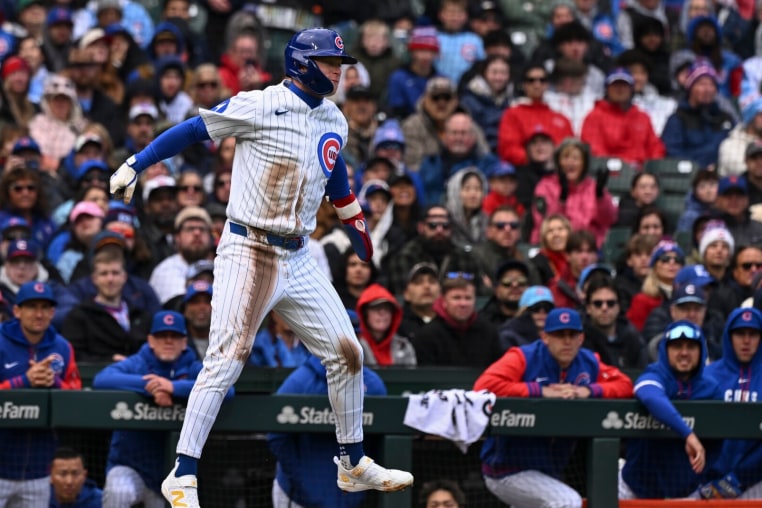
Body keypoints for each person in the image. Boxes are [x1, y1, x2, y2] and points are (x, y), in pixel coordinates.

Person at [108, 28, 414, 505]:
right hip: (248, 247)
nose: (338, 70)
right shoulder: (260, 104)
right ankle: (183, 472)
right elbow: (193, 129)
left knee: (347, 352)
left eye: (340, 63)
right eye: (329, 62)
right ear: (302, 63)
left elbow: (336, 183)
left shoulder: (335, 118)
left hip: (299, 252)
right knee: (228, 358)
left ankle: (351, 463)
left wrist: (356, 225)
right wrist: (136, 162)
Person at [475, 307, 634, 507]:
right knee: (566, 501)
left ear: (581, 338)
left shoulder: (588, 362)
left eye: (572, 335)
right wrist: (538, 390)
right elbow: (484, 386)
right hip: (505, 469)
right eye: (559, 335)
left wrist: (589, 391)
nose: (566, 341)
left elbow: (625, 385)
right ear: (545, 337)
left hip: (547, 472)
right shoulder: (524, 357)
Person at [93, 310, 232, 508]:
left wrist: (173, 387)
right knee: (119, 492)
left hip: (171, 472)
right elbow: (102, 380)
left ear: (184, 342)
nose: (168, 341)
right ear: (150, 340)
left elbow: (228, 391)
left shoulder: (193, 367)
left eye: (174, 336)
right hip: (130, 466)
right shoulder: (138, 363)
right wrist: (150, 387)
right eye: (162, 336)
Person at [619, 320, 723, 500]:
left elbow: (719, 444)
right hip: (635, 488)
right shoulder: (655, 374)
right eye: (677, 346)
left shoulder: (711, 389)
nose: (684, 353)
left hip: (686, 493)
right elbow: (649, 394)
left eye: (691, 346)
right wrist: (688, 434)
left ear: (701, 351)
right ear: (666, 350)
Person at [0, 281, 81, 508]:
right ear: (17, 311)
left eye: (45, 307)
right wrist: (24, 381)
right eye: (31, 306)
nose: (39, 314)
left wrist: (53, 382)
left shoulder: (62, 347)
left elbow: (76, 395)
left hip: (39, 468)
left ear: (53, 312)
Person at [268, 353, 387, 507]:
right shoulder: (300, 382)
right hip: (298, 498)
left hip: (349, 499)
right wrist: (302, 481)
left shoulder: (371, 383)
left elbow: (379, 444)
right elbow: (276, 437)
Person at [704, 308, 762, 499]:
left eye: (753, 334)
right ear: (729, 336)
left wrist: (737, 479)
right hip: (708, 483)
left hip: (755, 480)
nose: (746, 341)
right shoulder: (709, 375)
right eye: (740, 333)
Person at [411, 273, 502, 368]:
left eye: (468, 298)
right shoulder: (426, 336)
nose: (463, 304)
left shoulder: (489, 332)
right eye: (456, 298)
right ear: (444, 302)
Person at [356, 283, 416, 366]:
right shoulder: (355, 346)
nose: (382, 313)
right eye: (376, 308)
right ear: (365, 314)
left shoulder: (404, 346)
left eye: (387, 309)